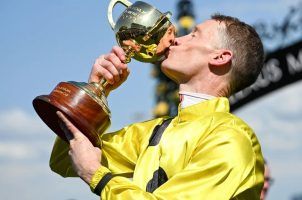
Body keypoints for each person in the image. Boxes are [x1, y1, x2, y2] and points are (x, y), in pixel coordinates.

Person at [50, 14, 265, 199]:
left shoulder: (231, 138)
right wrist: (96, 92)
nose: (176, 40)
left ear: (220, 57)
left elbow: (88, 167)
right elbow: (63, 160)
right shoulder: (151, 132)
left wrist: (99, 177)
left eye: (193, 35)